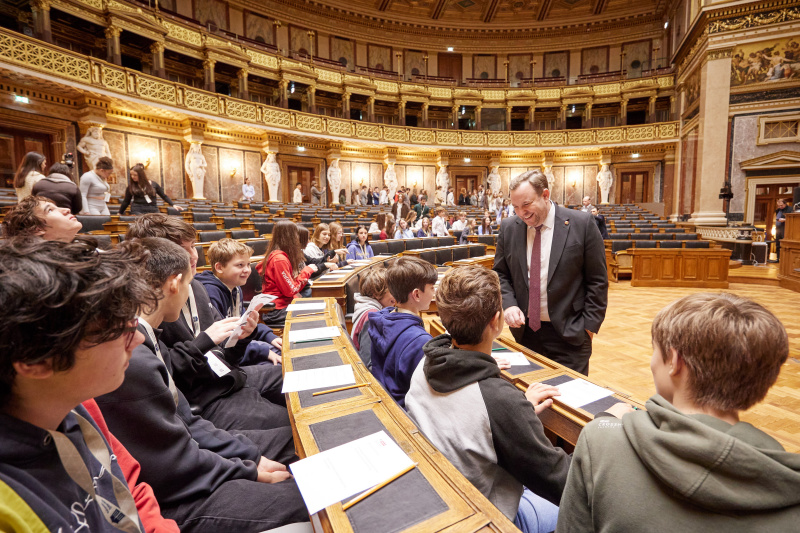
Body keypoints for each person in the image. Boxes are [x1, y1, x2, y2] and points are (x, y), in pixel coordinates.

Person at [95, 237, 308, 533]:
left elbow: (186, 421)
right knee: (310, 497)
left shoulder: (144, 336)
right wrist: (245, 466)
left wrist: (248, 457)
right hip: (176, 499)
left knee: (305, 437)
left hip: (195, 450)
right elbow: (171, 464)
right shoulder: (131, 356)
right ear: (174, 283)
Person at [556, 293, 799, 532]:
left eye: (655, 351)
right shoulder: (788, 483)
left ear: (674, 360)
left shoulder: (600, 439)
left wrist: (610, 424)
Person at [406, 266, 583, 533]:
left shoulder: (424, 365)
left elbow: (467, 419)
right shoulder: (499, 402)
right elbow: (562, 482)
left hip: (445, 501)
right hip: (489, 518)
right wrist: (604, 428)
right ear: (497, 321)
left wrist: (517, 414)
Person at [0, 237, 154, 533]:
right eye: (117, 329)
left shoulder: (72, 406)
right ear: (37, 360)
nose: (138, 339)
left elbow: (128, 493)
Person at [125, 214, 290, 432]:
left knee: (290, 374)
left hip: (224, 376)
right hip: (205, 398)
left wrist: (242, 337)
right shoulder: (151, 309)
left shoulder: (197, 289)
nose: (193, 256)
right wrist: (202, 343)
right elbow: (167, 373)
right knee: (292, 425)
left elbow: (224, 353)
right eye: (183, 250)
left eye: (193, 246)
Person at [493, 170, 607, 376]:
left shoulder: (582, 224)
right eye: (515, 207)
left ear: (545, 195)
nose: (521, 213)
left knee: (568, 400)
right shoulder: (509, 228)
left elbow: (597, 281)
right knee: (529, 396)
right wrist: (508, 305)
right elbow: (501, 274)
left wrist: (588, 328)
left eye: (526, 205)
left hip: (570, 333)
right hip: (525, 333)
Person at [196, 238, 283, 366]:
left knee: (282, 348)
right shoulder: (210, 292)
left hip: (240, 346)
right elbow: (222, 342)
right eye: (240, 265)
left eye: (248, 264)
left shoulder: (235, 288)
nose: (247, 270)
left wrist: (268, 335)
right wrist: (263, 351)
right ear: (219, 268)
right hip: (225, 356)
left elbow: (243, 324)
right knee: (280, 362)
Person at [368, 256, 437, 407]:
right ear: (417, 294)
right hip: (407, 411)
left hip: (387, 401)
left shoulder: (384, 317)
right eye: (432, 287)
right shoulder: (419, 340)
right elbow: (431, 388)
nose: (434, 293)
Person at [257, 220, 318, 327]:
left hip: (284, 306)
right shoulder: (279, 259)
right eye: (295, 234)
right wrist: (307, 271)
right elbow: (291, 290)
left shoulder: (281, 256)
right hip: (275, 311)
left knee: (320, 308)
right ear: (289, 236)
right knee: (316, 315)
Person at [352, 268, 396, 370]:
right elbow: (369, 363)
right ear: (375, 293)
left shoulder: (365, 306)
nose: (396, 295)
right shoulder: (371, 315)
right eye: (391, 291)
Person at [2, 195, 82, 242]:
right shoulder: (35, 268)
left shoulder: (86, 249)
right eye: (50, 210)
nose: (67, 210)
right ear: (37, 229)